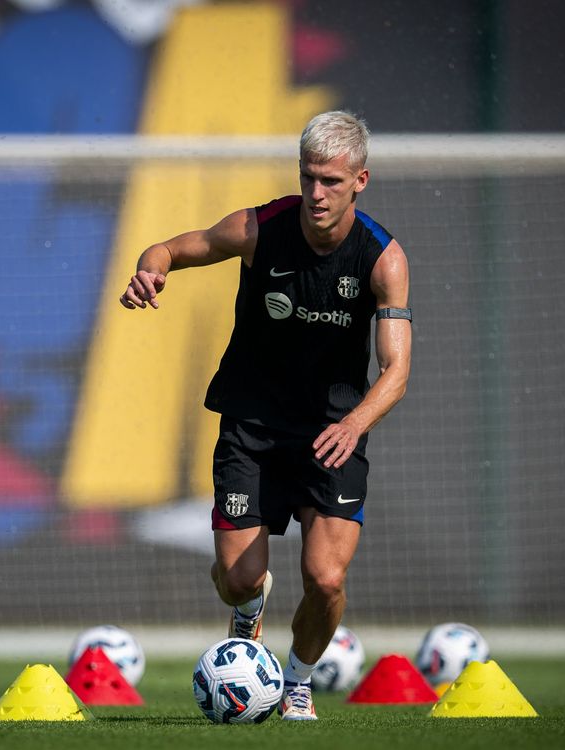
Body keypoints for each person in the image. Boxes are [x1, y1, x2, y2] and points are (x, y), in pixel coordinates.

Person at [119, 111, 411, 721]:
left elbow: (396, 371)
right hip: (251, 426)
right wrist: (153, 270)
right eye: (308, 178)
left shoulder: (382, 260)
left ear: (361, 180)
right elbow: (172, 247)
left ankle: (298, 683)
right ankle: (249, 610)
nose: (316, 194)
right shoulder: (258, 228)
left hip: (332, 434)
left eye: (331, 181)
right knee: (239, 580)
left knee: (326, 579)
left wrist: (356, 423)